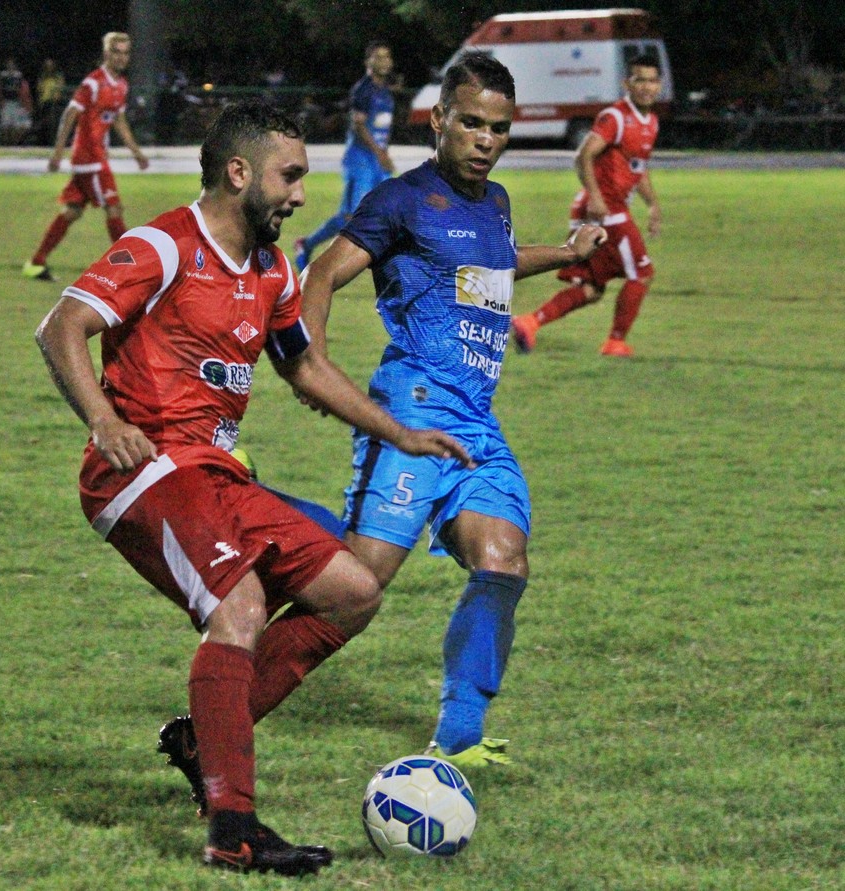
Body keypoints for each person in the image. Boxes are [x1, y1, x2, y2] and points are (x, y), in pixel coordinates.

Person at [34, 100, 472, 876]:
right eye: (291, 175)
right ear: (239, 173)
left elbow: (301, 365)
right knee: (240, 606)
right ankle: (232, 825)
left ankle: (204, 740)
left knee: (353, 590)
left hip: (217, 472)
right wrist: (104, 420)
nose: (301, 194)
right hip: (141, 471)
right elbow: (62, 326)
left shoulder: (271, 269)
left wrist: (397, 431)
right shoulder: (165, 244)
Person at [291, 51, 606, 769]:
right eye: (470, 122)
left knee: (504, 558)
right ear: (439, 120)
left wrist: (566, 250)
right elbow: (323, 272)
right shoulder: (401, 201)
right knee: (356, 585)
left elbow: (489, 267)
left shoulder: (493, 203)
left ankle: (460, 736)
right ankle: (256, 533)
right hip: (413, 415)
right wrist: (311, 363)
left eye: (499, 127)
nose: (485, 139)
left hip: (475, 428)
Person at [511, 53, 663, 357]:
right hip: (606, 212)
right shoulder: (617, 117)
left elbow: (638, 167)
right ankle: (615, 342)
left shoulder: (651, 122)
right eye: (639, 79)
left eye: (652, 80)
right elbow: (584, 156)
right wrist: (596, 196)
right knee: (642, 273)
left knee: (592, 289)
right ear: (627, 83)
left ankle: (529, 322)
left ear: (659, 85)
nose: (646, 86)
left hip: (606, 209)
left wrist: (653, 204)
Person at [23, 33, 149, 282]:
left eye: (125, 53)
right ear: (106, 54)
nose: (122, 57)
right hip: (89, 159)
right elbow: (70, 114)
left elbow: (119, 121)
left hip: (94, 159)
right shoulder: (93, 83)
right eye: (117, 52)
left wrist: (136, 152)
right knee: (114, 208)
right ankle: (127, 269)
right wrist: (58, 152)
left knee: (72, 211)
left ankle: (36, 263)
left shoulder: (121, 85)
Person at [292, 41, 395, 271]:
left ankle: (385, 265)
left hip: (377, 161)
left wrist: (385, 154)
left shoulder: (386, 93)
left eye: (387, 57)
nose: (384, 61)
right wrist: (379, 153)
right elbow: (359, 125)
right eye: (378, 57)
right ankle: (306, 245)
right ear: (368, 62)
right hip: (360, 160)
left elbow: (382, 129)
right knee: (350, 217)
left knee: (385, 211)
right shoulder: (363, 90)